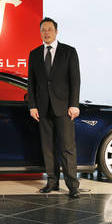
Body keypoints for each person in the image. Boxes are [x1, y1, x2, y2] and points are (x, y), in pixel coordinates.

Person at [27, 17, 81, 198]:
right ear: (40, 32)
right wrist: (32, 106)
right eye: (43, 30)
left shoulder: (69, 52)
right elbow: (31, 84)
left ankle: (73, 185)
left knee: (67, 148)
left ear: (56, 31)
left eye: (49, 29)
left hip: (64, 108)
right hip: (42, 109)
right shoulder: (34, 54)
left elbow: (75, 81)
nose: (46, 32)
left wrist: (74, 104)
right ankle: (52, 182)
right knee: (47, 147)